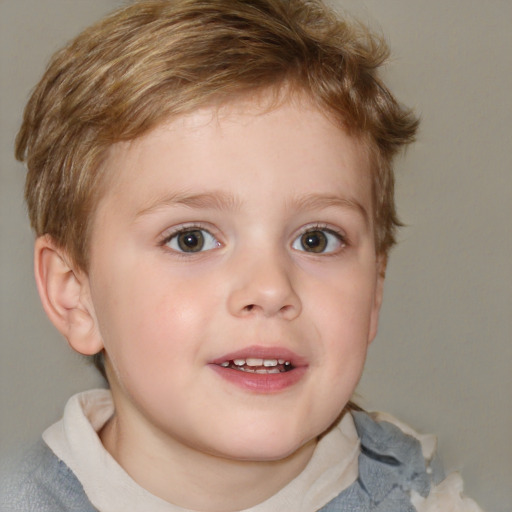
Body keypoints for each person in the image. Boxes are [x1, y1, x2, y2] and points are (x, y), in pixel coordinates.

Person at [0, 0, 484, 510]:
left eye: (316, 239)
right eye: (192, 239)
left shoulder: (420, 495)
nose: (271, 288)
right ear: (75, 294)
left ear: (376, 290)